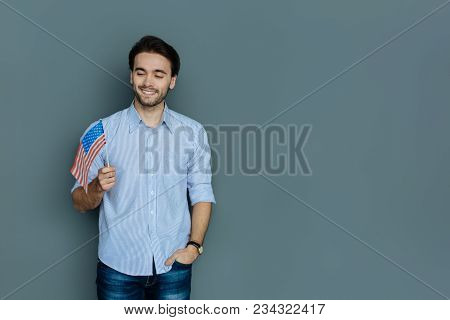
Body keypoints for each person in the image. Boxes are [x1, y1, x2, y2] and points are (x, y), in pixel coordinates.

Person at [70, 35, 216, 300]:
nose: (148, 82)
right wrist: (95, 188)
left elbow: (202, 194)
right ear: (131, 76)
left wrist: (194, 247)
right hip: (117, 269)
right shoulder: (99, 132)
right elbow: (78, 201)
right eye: (141, 72)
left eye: (158, 74)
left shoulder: (193, 133)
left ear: (172, 81)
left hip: (173, 267)